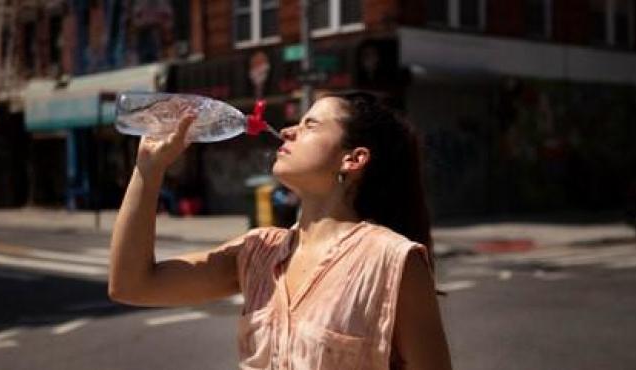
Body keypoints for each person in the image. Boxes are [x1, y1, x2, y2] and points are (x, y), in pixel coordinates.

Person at [109, 91, 452, 370]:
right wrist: (148, 170)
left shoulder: (392, 261)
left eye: (310, 124)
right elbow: (132, 285)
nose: (288, 131)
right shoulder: (258, 251)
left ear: (353, 159)